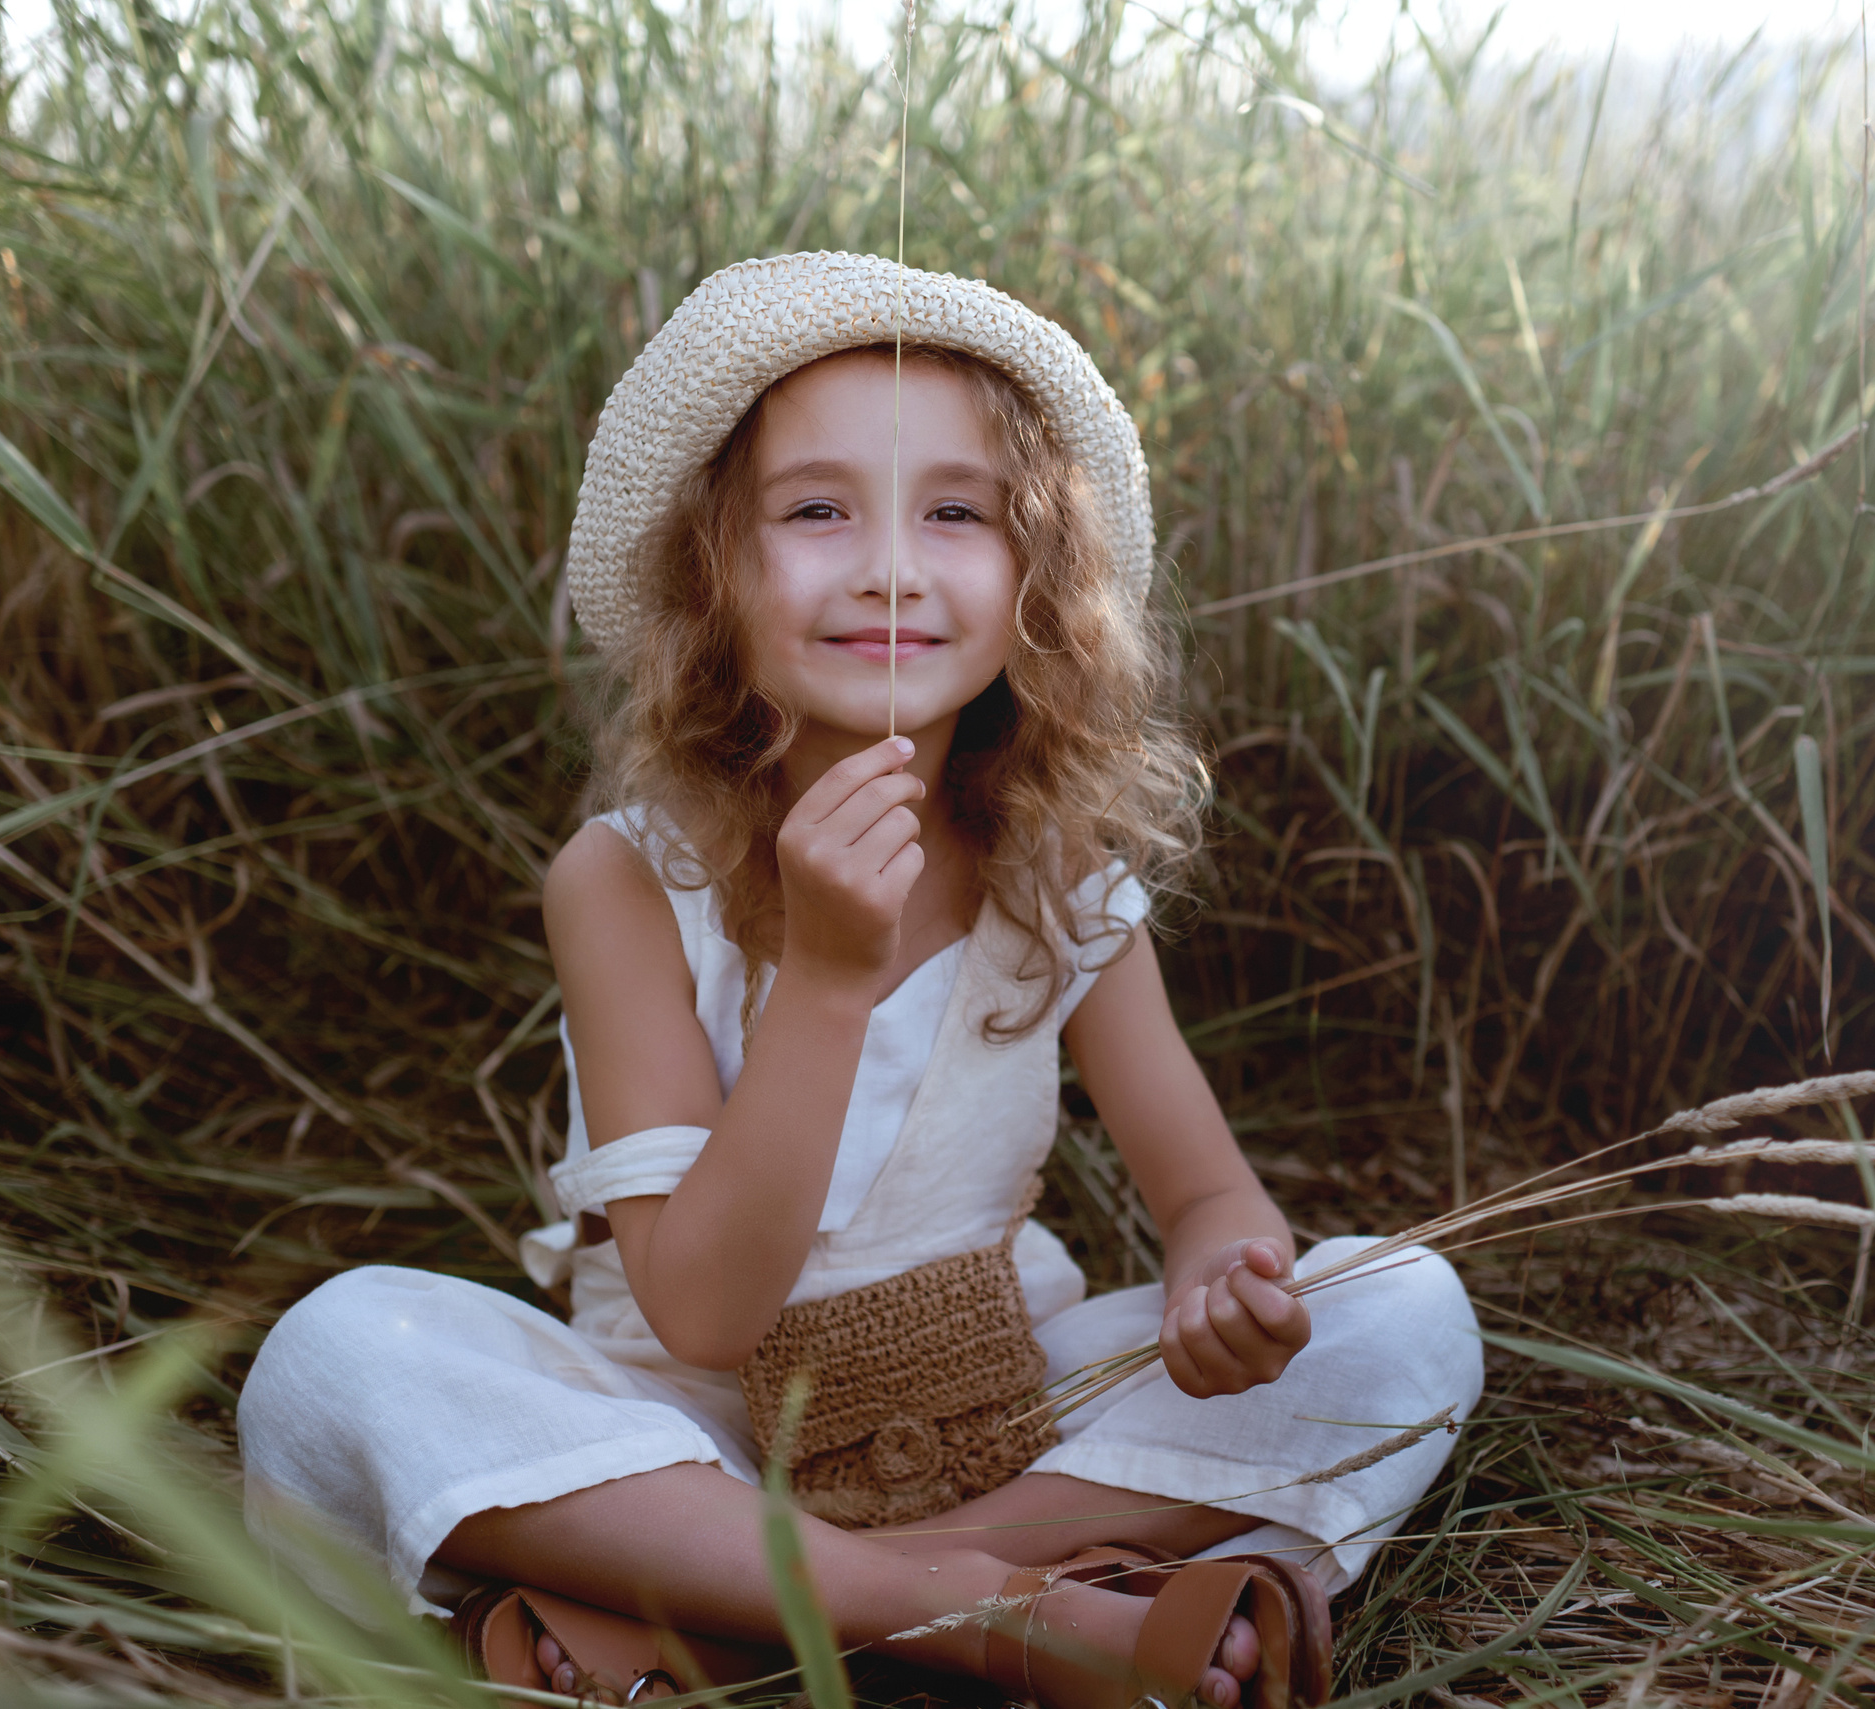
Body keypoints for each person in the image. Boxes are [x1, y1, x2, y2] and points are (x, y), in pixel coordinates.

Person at [238, 252, 1483, 1709]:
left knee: (1406, 1311)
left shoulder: (1061, 880)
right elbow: (701, 1311)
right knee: (335, 1356)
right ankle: (996, 1615)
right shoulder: (628, 879)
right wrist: (824, 981)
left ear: (1036, 579)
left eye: (956, 512)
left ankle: (758, 1625)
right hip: (678, 1436)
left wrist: (1228, 1276)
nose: (890, 564)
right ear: (717, 573)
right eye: (816, 509)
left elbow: (1205, 1191)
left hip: (992, 1413)